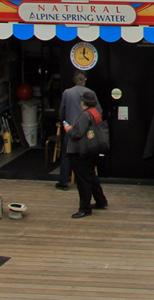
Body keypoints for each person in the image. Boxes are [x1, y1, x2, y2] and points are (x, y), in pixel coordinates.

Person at [64, 90, 108, 218]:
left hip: (81, 151)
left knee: (83, 179)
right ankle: (101, 201)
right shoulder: (96, 113)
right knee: (91, 175)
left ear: (84, 102)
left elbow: (77, 134)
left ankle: (85, 208)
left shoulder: (85, 115)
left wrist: (68, 129)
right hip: (92, 149)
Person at [56, 71, 100, 191]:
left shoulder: (67, 93)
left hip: (71, 128)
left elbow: (62, 112)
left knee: (66, 155)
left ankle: (64, 182)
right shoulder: (90, 93)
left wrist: (65, 122)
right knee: (87, 156)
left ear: (74, 80)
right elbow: (98, 112)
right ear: (84, 80)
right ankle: (87, 180)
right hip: (86, 129)